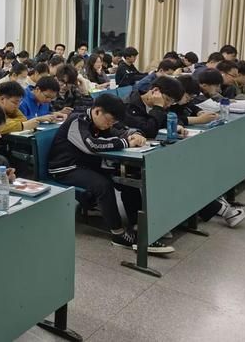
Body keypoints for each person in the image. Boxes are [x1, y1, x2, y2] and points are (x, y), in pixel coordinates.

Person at [47, 95, 173, 253]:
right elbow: (91, 145)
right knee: (103, 185)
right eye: (109, 121)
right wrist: (126, 142)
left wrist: (135, 134)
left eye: (113, 122)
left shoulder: (102, 122)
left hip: (87, 165)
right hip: (65, 168)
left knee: (126, 179)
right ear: (97, 111)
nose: (110, 125)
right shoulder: (77, 120)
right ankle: (118, 233)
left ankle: (138, 224)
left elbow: (120, 131)